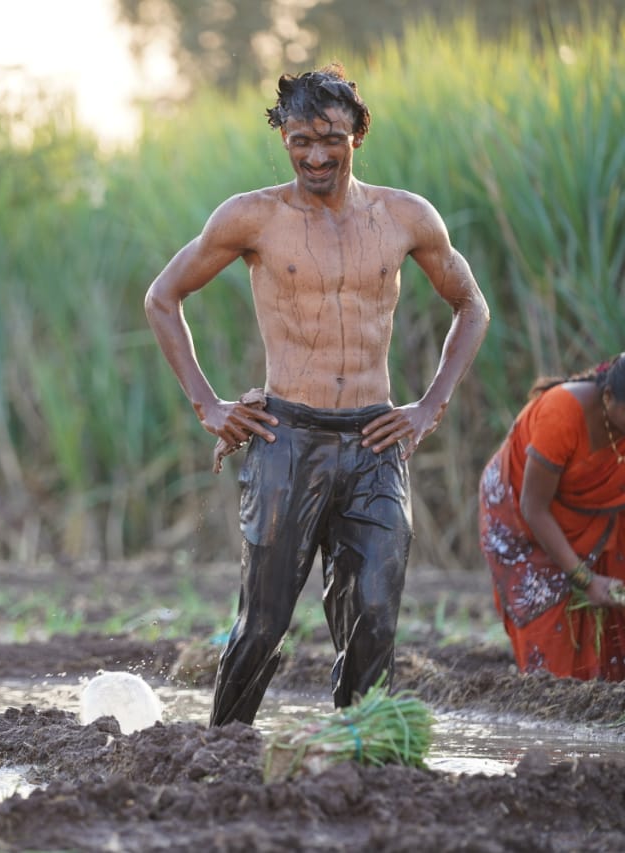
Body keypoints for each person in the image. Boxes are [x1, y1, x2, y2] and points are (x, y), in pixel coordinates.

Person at [144, 63, 489, 725]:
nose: (315, 154)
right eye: (300, 139)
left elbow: (472, 306)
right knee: (264, 620)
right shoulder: (254, 217)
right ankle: (224, 748)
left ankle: (359, 754)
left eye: (330, 137)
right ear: (283, 139)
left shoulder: (405, 216)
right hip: (286, 438)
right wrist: (208, 404)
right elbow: (163, 297)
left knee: (376, 615)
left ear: (358, 133)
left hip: (373, 441)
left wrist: (427, 407)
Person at [480, 347, 625, 680]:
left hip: (602, 513)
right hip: (526, 515)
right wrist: (584, 578)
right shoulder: (562, 415)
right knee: (554, 652)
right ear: (608, 397)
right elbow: (533, 507)